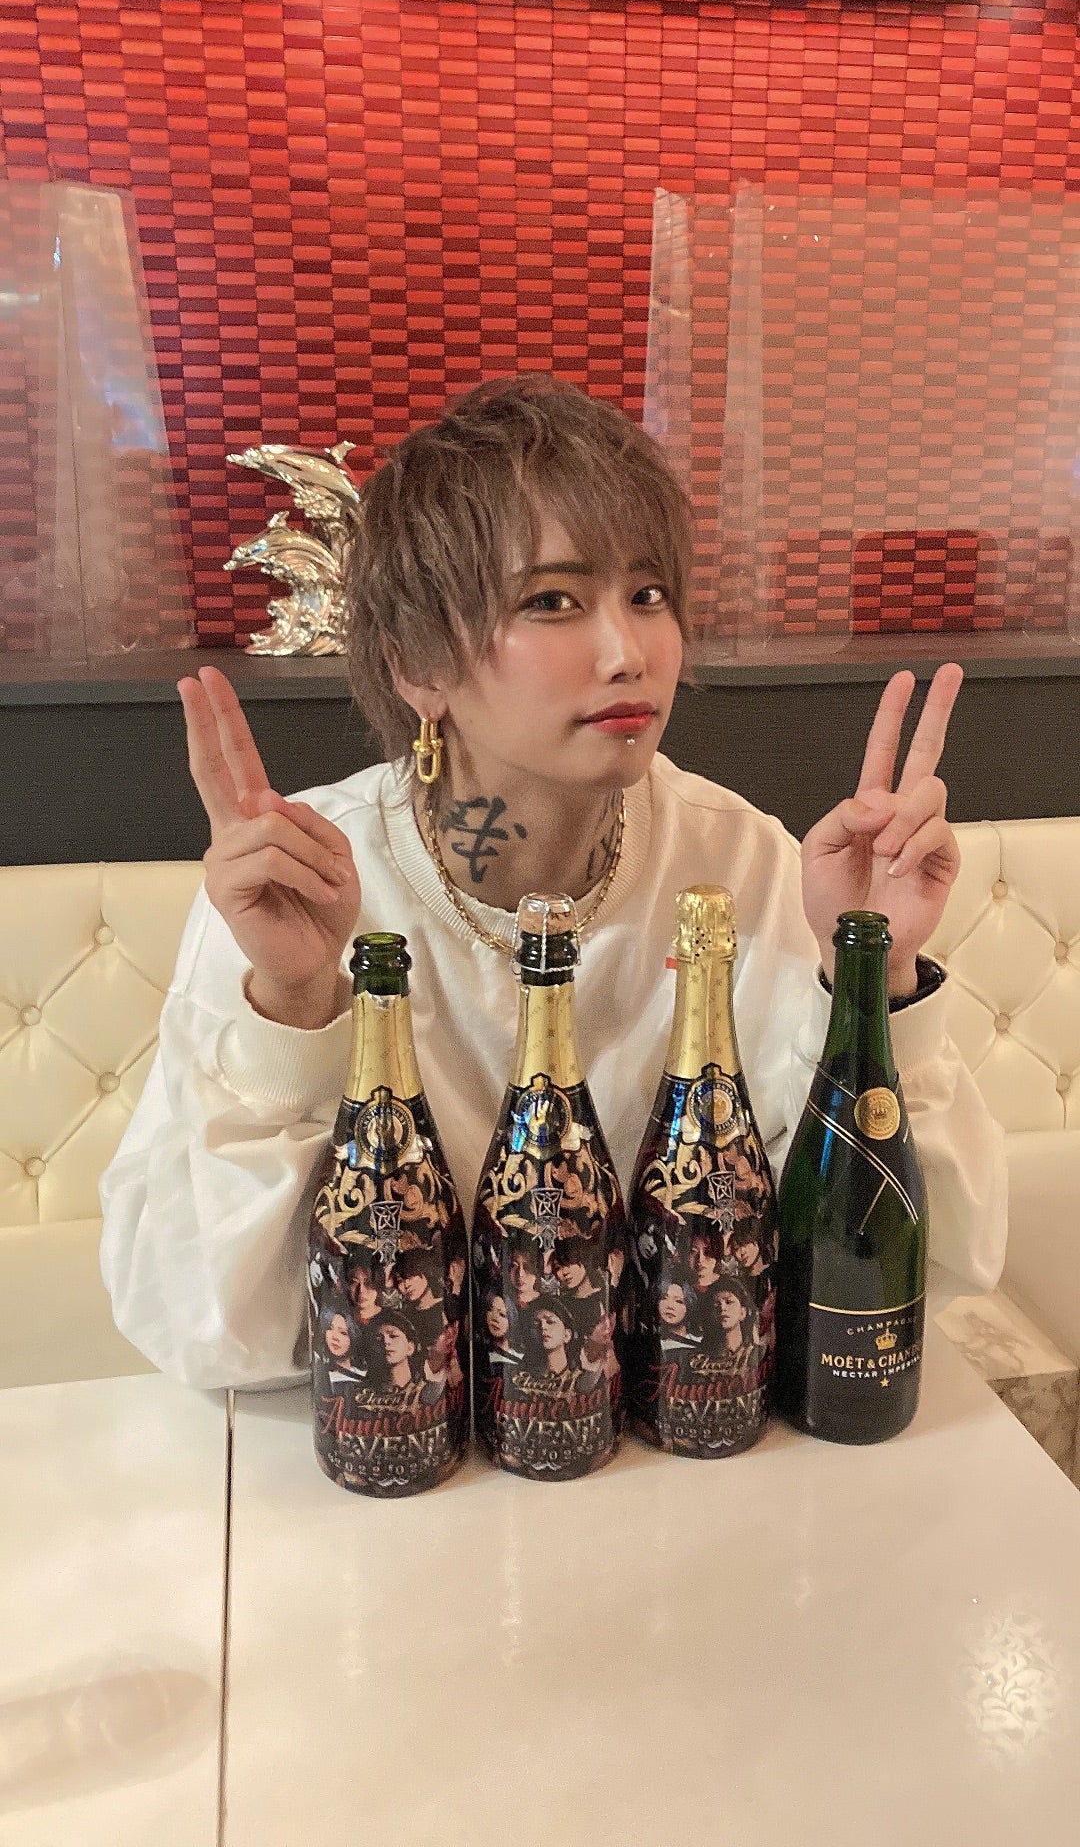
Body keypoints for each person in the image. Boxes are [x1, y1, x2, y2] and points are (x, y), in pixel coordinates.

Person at [99, 373, 1008, 1390]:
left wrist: (874, 978)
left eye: (648, 595)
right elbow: (211, 1329)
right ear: (418, 664)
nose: (628, 653)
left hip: (677, 1434)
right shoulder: (302, 880)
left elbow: (921, 1278)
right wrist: (297, 1002)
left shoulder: (741, 866)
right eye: (552, 601)